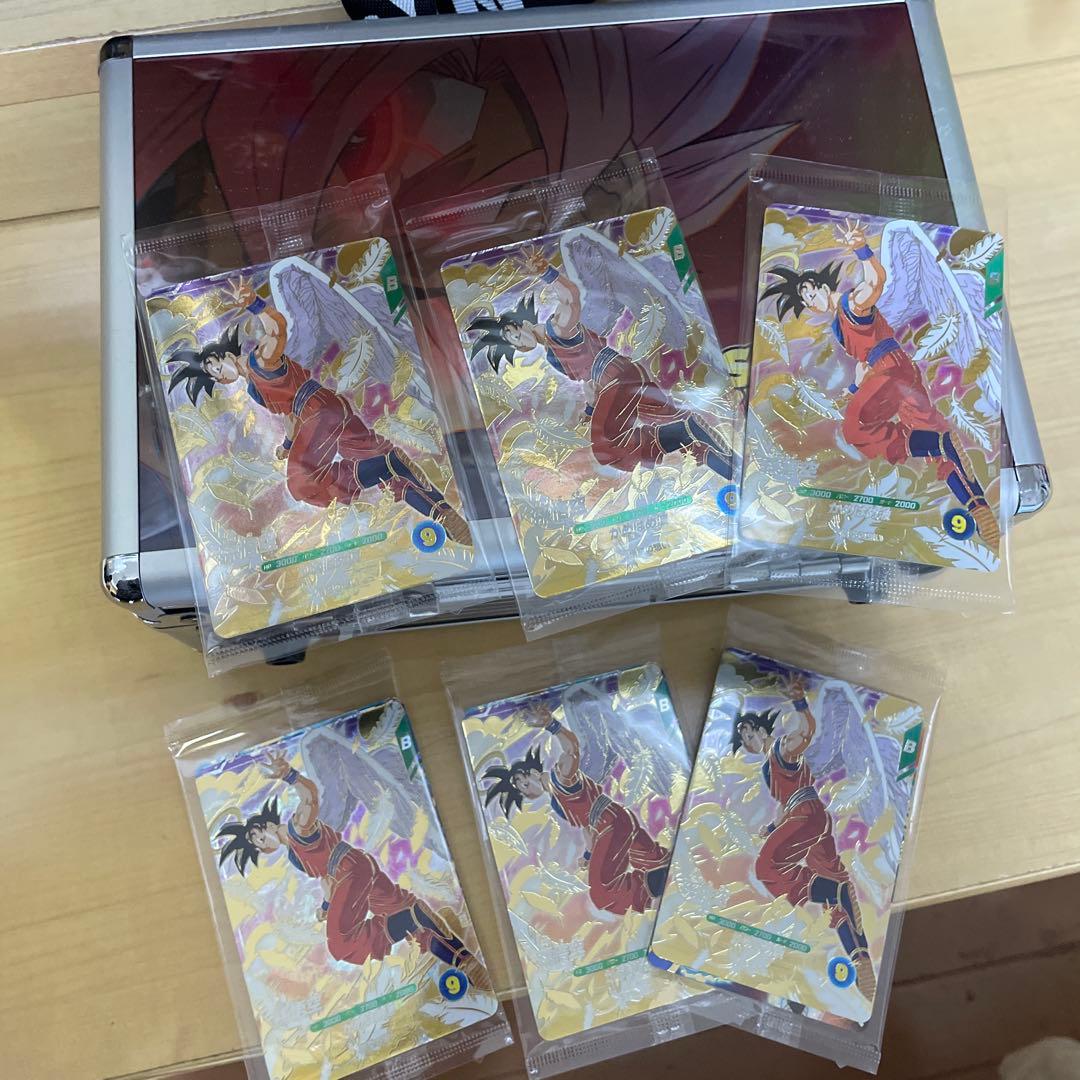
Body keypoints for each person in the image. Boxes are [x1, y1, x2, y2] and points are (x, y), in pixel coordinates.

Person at [169, 280, 470, 544]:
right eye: (214, 376)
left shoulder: (260, 361)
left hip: (319, 410)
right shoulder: (253, 389)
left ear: (225, 354)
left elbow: (277, 329)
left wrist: (254, 304)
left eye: (215, 366)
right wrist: (288, 444)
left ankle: (387, 464)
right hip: (326, 410)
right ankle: (446, 517)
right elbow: (290, 417)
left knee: (303, 483)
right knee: (390, 478)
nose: (219, 376)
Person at [762, 218, 998, 547]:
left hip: (889, 371)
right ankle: (978, 507)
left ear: (823, 286)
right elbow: (862, 366)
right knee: (935, 450)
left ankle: (940, 445)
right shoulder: (840, 322)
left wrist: (861, 248)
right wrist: (855, 388)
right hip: (899, 373)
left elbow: (875, 282)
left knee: (856, 428)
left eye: (811, 292)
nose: (812, 301)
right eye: (806, 301)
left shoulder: (851, 303)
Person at [216, 752, 490, 990]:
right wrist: (326, 906)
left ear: (266, 825)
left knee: (342, 944)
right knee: (407, 921)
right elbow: (326, 880)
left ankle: (414, 917)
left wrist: (289, 775)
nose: (262, 843)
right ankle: (466, 962)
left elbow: (310, 797)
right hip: (356, 869)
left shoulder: (297, 828)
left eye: (259, 835)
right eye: (257, 844)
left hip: (351, 871)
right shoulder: (294, 853)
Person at [467, 249, 732, 479]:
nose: (518, 342)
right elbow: (590, 383)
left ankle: (684, 431)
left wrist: (547, 273)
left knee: (608, 448)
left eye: (514, 333)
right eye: (512, 342)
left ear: (523, 323)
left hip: (617, 377)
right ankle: (732, 467)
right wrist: (591, 410)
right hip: (624, 375)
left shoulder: (557, 329)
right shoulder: (551, 350)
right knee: (675, 426)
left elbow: (570, 297)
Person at [733, 680, 876, 1001]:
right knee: (834, 898)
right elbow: (786, 803)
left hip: (807, 816)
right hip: (808, 818)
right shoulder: (770, 764)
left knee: (768, 867)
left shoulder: (781, 748)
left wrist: (799, 702)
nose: (747, 743)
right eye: (743, 741)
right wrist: (773, 827)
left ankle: (834, 891)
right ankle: (860, 957)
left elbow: (806, 732)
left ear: (760, 730)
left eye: (749, 735)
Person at [483, 704, 669, 916]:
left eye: (524, 784)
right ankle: (663, 883)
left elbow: (571, 749)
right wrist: (589, 854)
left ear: (534, 773)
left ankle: (651, 894)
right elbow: (586, 827)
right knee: (654, 861)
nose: (527, 792)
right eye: (522, 791)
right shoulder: (556, 797)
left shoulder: (560, 779)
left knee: (603, 892)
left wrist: (551, 724)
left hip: (611, 824)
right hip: (617, 819)